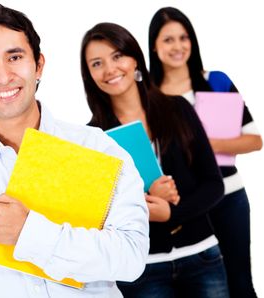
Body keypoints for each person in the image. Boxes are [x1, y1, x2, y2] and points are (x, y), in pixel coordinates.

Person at [0, 3, 149, 298]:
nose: (3, 76)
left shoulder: (97, 147)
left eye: (14, 57)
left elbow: (131, 259)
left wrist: (29, 234)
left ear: (39, 64)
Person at [80, 22, 229, 297]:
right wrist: (145, 200)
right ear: (89, 74)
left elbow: (213, 185)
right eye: (97, 63)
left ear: (134, 58)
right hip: (143, 269)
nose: (110, 69)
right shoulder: (93, 137)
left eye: (117, 56)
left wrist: (172, 212)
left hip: (202, 255)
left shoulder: (177, 109)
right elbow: (95, 217)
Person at [148, 7, 263, 297]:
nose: (177, 46)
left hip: (230, 196)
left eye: (183, 37)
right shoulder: (151, 97)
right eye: (168, 40)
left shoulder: (216, 81)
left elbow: (254, 140)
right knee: (205, 285)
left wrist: (203, 144)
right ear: (154, 46)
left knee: (239, 280)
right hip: (187, 203)